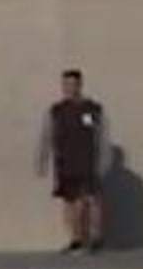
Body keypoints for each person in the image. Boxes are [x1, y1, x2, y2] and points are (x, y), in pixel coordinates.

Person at [38, 68, 111, 252]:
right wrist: (42, 160)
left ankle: (96, 238)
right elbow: (46, 136)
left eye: (73, 84)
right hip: (65, 162)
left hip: (88, 162)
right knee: (70, 201)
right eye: (66, 85)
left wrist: (104, 162)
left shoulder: (92, 109)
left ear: (80, 85)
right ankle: (76, 239)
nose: (69, 88)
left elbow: (101, 135)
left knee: (92, 200)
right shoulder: (56, 111)